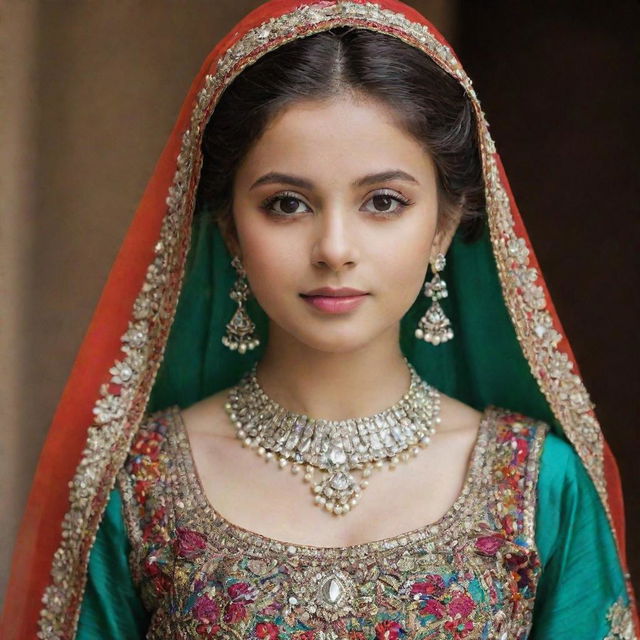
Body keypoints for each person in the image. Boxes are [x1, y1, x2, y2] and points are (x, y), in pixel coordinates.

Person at [2, 1, 637, 638]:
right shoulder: (140, 486)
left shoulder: (536, 487)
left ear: (445, 224)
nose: (334, 248)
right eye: (287, 204)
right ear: (230, 228)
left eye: (383, 202)